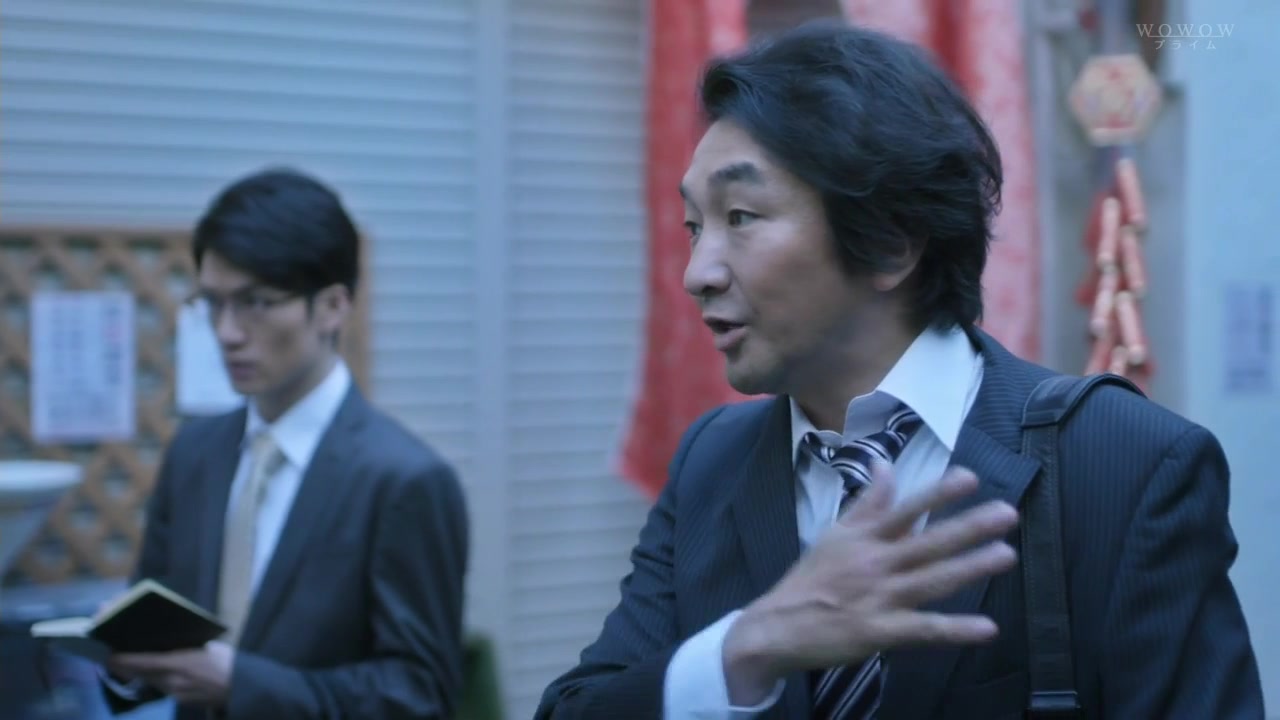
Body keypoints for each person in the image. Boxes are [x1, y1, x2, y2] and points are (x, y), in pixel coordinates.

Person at [535, 21, 1264, 720]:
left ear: (891, 241)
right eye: (695, 226)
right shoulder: (711, 462)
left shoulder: (1124, 464)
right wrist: (746, 649)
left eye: (742, 217)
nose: (698, 273)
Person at [100, 168, 470, 719]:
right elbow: (156, 638)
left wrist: (239, 683)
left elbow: (420, 695)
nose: (227, 332)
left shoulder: (403, 480)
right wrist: (123, 659)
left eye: (256, 302)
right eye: (213, 303)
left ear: (333, 307)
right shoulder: (195, 453)